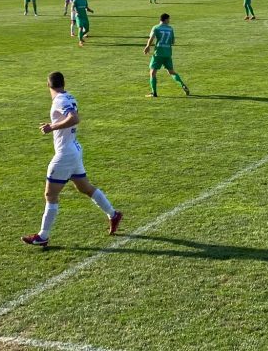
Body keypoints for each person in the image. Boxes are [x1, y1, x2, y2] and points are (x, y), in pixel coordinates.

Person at [21, 71, 122, 247]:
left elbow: (74, 118)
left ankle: (43, 236)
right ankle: (113, 214)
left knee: (50, 194)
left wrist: (51, 127)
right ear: (63, 83)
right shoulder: (68, 96)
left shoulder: (59, 100)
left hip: (65, 154)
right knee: (85, 188)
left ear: (48, 85)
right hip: (74, 149)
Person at [143, 13, 190, 98]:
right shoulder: (170, 29)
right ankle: (182, 85)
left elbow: (152, 38)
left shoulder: (156, 27)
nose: (169, 21)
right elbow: (173, 42)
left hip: (158, 54)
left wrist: (147, 46)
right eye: (169, 19)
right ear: (165, 19)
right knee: (171, 72)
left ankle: (154, 93)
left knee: (152, 73)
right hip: (168, 54)